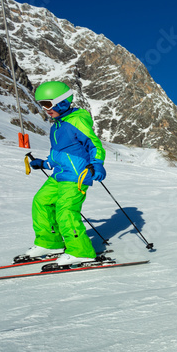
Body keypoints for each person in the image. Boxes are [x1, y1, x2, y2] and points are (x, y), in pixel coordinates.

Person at [21, 81, 107, 266]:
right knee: (41, 201)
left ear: (61, 102)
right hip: (59, 174)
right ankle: (50, 243)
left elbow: (94, 144)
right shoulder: (57, 126)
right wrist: (44, 163)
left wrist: (97, 164)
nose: (45, 109)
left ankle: (81, 251)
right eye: (41, 104)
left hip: (77, 175)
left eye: (47, 104)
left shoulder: (77, 120)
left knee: (66, 210)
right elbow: (61, 153)